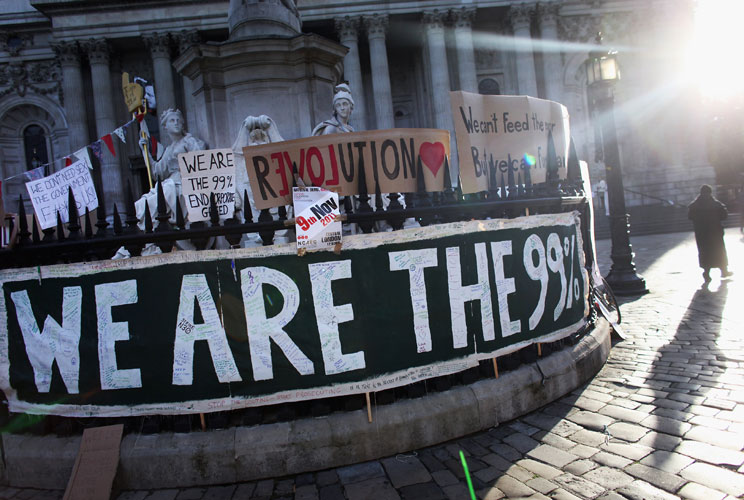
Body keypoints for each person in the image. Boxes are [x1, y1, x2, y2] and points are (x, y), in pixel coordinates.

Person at [688, 184, 732, 282]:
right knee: (719, 251)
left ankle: (706, 273)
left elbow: (690, 217)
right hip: (715, 233)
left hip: (702, 234)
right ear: (710, 192)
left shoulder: (694, 205)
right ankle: (723, 271)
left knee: (705, 253)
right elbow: (724, 216)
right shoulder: (716, 204)